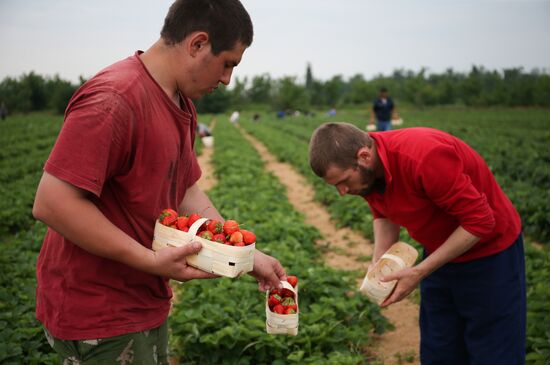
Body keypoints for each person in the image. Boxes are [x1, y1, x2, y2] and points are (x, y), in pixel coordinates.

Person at [32, 1, 286, 363]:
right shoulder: (114, 100)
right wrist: (151, 261)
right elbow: (52, 202)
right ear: (198, 44)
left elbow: (185, 188)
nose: (227, 79)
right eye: (227, 63)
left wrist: (241, 254)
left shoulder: (181, 101)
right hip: (100, 310)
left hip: (141, 297)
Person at [309, 123, 525, 365]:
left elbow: (480, 221)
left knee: (493, 350)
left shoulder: (423, 156)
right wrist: (378, 264)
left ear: (364, 156)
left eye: (343, 181)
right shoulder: (367, 174)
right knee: (440, 349)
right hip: (438, 253)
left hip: (490, 256)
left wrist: (420, 270)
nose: (342, 191)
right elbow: (384, 213)